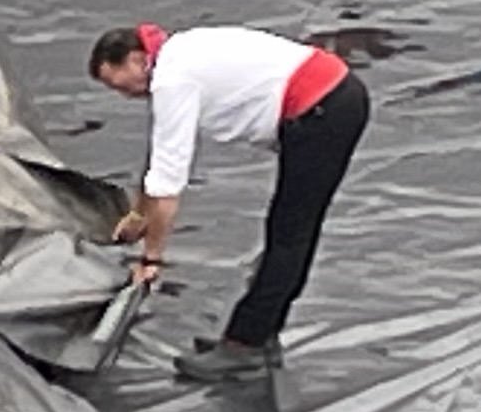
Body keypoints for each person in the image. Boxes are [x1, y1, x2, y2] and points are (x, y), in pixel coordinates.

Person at [87, 19, 371, 382]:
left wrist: (151, 259)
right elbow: (158, 163)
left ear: (135, 59)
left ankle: (245, 345)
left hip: (323, 110)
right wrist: (139, 216)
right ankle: (261, 331)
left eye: (118, 84)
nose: (125, 95)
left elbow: (168, 183)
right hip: (330, 99)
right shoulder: (179, 53)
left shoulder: (173, 79)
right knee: (288, 232)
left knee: (290, 234)